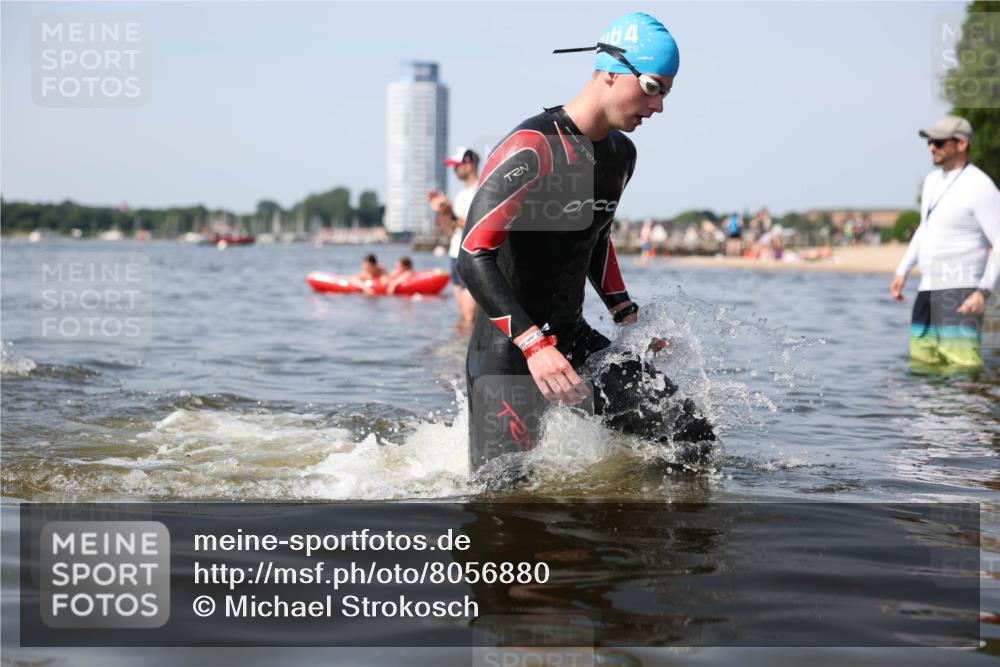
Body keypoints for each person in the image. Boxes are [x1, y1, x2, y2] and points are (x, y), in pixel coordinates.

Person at [456, 12, 715, 478]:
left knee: (691, 434)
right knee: (509, 503)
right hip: (509, 353)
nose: (658, 107)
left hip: (573, 343)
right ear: (611, 72)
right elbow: (473, 255)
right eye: (654, 87)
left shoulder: (620, 154)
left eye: (667, 93)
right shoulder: (533, 146)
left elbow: (594, 236)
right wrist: (534, 344)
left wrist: (626, 316)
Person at [891, 115, 1000, 369]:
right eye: (930, 141)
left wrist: (983, 292)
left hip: (960, 290)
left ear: (961, 144)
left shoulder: (981, 186)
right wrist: (902, 270)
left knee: (962, 367)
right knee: (922, 364)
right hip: (927, 288)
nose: (932, 146)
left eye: (939, 142)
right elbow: (925, 228)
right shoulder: (931, 181)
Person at [429, 148, 480, 326]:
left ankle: (462, 351)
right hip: (455, 254)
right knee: (465, 315)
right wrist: (443, 213)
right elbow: (452, 233)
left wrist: (450, 213)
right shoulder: (460, 195)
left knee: (468, 317)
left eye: (457, 166)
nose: (454, 170)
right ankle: (459, 349)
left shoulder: (480, 189)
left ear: (469, 165)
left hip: (471, 254)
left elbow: (474, 226)